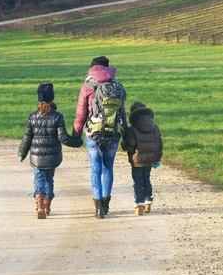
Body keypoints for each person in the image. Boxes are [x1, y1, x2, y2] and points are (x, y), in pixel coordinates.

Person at [72, 56, 127, 219]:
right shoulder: (117, 86)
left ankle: (98, 208)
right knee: (108, 167)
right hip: (113, 131)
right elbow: (122, 112)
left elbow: (81, 113)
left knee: (95, 168)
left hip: (93, 133)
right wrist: (126, 132)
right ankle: (106, 203)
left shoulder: (87, 87)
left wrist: (76, 135)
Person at [19, 83, 83, 219]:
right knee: (49, 179)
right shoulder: (57, 116)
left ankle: (39, 204)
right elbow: (63, 138)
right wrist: (77, 142)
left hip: (37, 158)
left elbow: (26, 138)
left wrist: (22, 154)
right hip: (53, 157)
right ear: (52, 98)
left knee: (39, 178)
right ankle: (47, 207)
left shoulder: (32, 117)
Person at [121, 101, 163, 215]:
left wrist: (123, 145)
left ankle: (139, 204)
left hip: (137, 160)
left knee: (138, 182)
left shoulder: (132, 129)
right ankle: (148, 201)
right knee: (147, 179)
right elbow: (159, 144)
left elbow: (129, 145)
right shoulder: (155, 127)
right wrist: (157, 158)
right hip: (150, 160)